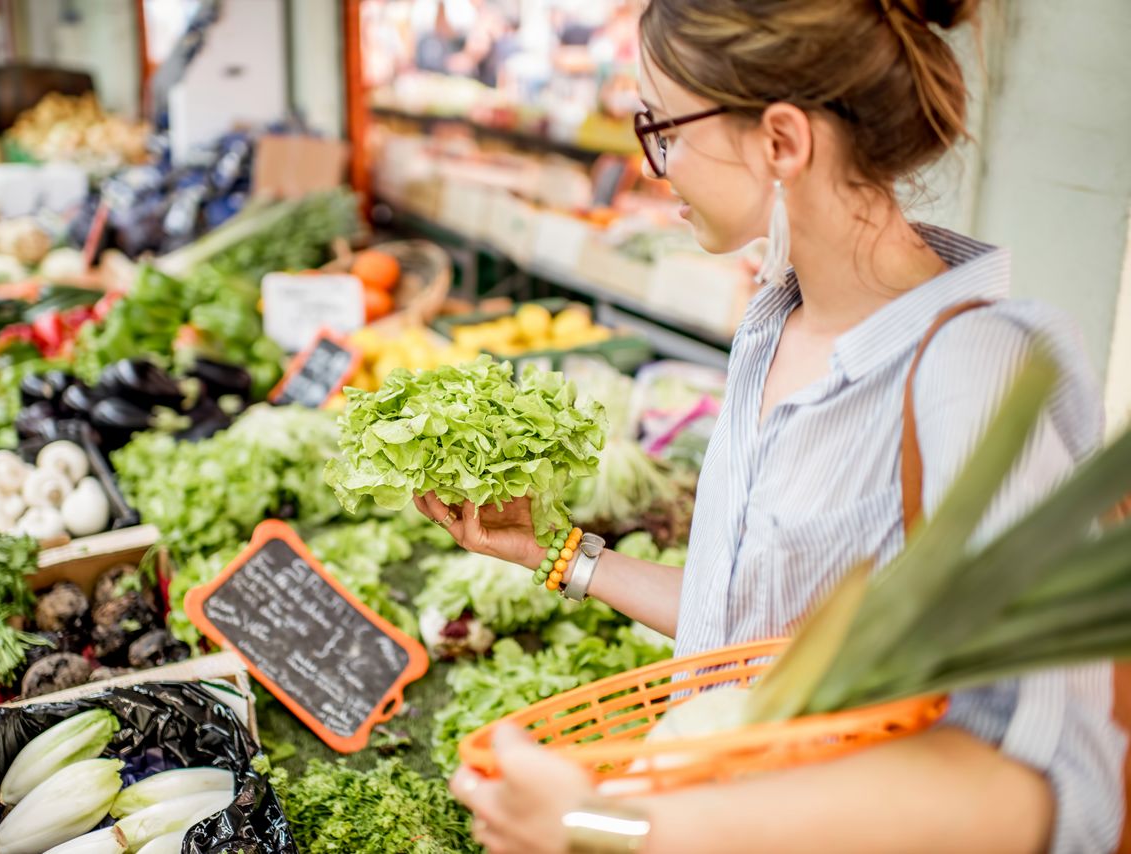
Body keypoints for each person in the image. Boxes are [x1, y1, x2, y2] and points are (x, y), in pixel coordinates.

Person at [412, 0, 1127, 851]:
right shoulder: (774, 324)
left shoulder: (978, 371)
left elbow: (1051, 788)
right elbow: (748, 639)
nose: (654, 165)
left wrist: (607, 824)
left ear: (782, 141)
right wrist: (559, 554)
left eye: (662, 127)